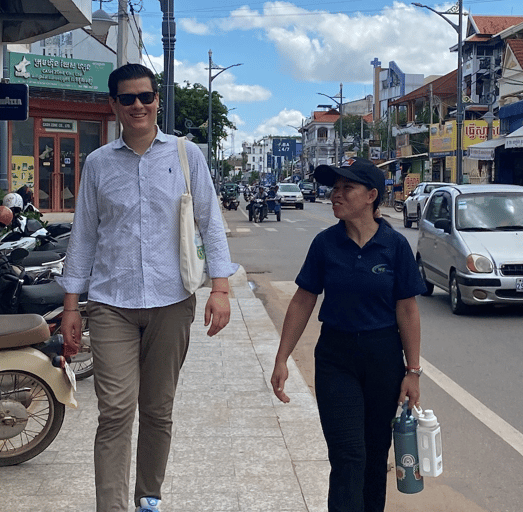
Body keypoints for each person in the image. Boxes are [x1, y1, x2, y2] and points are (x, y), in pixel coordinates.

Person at [57, 63, 237, 512]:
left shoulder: (185, 155)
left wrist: (220, 288)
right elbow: (83, 235)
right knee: (116, 410)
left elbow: (210, 222)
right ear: (113, 104)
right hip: (111, 302)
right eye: (128, 98)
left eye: (146, 97)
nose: (138, 105)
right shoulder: (97, 163)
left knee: (158, 410)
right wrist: (71, 306)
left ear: (157, 100)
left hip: (171, 300)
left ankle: (148, 499)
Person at [270, 158, 425, 512]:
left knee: (374, 454)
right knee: (347, 455)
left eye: (346, 188)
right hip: (336, 358)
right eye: (334, 188)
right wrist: (282, 358)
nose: (335, 195)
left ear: (371, 196)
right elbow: (303, 299)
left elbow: (408, 310)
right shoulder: (325, 244)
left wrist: (412, 372)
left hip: (383, 357)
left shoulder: (395, 245)